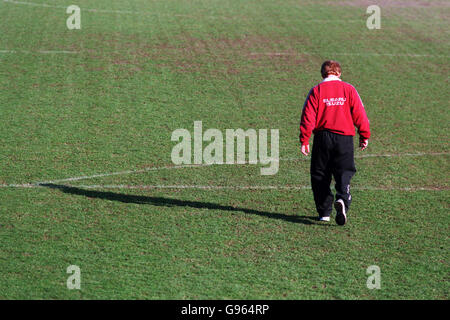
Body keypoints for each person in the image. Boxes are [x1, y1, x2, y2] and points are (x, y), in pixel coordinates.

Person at [299, 60, 370, 225]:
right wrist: (364, 135)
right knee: (344, 172)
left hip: (322, 137)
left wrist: (304, 139)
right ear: (339, 73)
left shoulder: (316, 90)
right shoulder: (349, 89)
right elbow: (360, 113)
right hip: (344, 137)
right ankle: (343, 200)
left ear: (322, 74)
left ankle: (324, 212)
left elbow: (307, 116)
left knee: (320, 174)